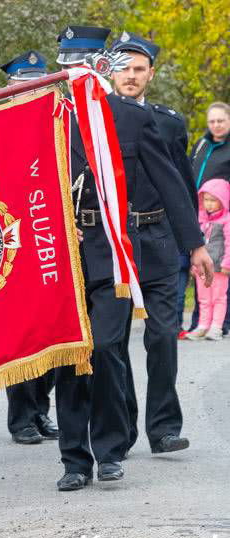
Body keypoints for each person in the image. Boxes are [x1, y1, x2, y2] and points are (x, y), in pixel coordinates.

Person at [53, 26, 212, 490]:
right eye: (67, 65)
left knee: (107, 348)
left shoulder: (130, 118)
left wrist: (195, 243)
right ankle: (73, 461)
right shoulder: (51, 119)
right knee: (71, 356)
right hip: (63, 253)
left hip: (116, 248)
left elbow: (171, 182)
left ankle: (110, 449)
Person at [110, 32, 198, 456]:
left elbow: (181, 185)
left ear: (151, 74)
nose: (131, 76)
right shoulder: (97, 118)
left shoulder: (169, 122)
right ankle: (122, 427)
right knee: (114, 339)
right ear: (110, 72)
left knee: (162, 335)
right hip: (115, 242)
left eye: (138, 69)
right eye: (124, 68)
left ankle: (163, 428)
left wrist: (194, 243)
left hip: (159, 237)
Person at [0, 50, 59, 445]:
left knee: (50, 324)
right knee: (18, 328)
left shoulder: (53, 122)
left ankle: (41, 410)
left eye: (35, 85)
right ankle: (20, 416)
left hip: (50, 238)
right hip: (16, 240)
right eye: (22, 86)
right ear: (9, 89)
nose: (29, 93)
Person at [187, 102, 230, 335]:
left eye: (221, 120)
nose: (216, 125)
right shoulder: (202, 143)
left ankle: (221, 323)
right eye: (212, 121)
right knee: (201, 268)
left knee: (222, 269)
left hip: (223, 215)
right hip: (200, 212)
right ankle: (200, 323)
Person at [185, 178, 230, 340]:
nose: (209, 204)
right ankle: (203, 325)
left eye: (213, 200)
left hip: (219, 267)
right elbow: (196, 245)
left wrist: (227, 264)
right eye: (206, 200)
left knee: (218, 298)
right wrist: (194, 264)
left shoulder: (226, 220)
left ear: (223, 200)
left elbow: (229, 243)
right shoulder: (201, 220)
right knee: (203, 298)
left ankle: (216, 326)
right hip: (202, 267)